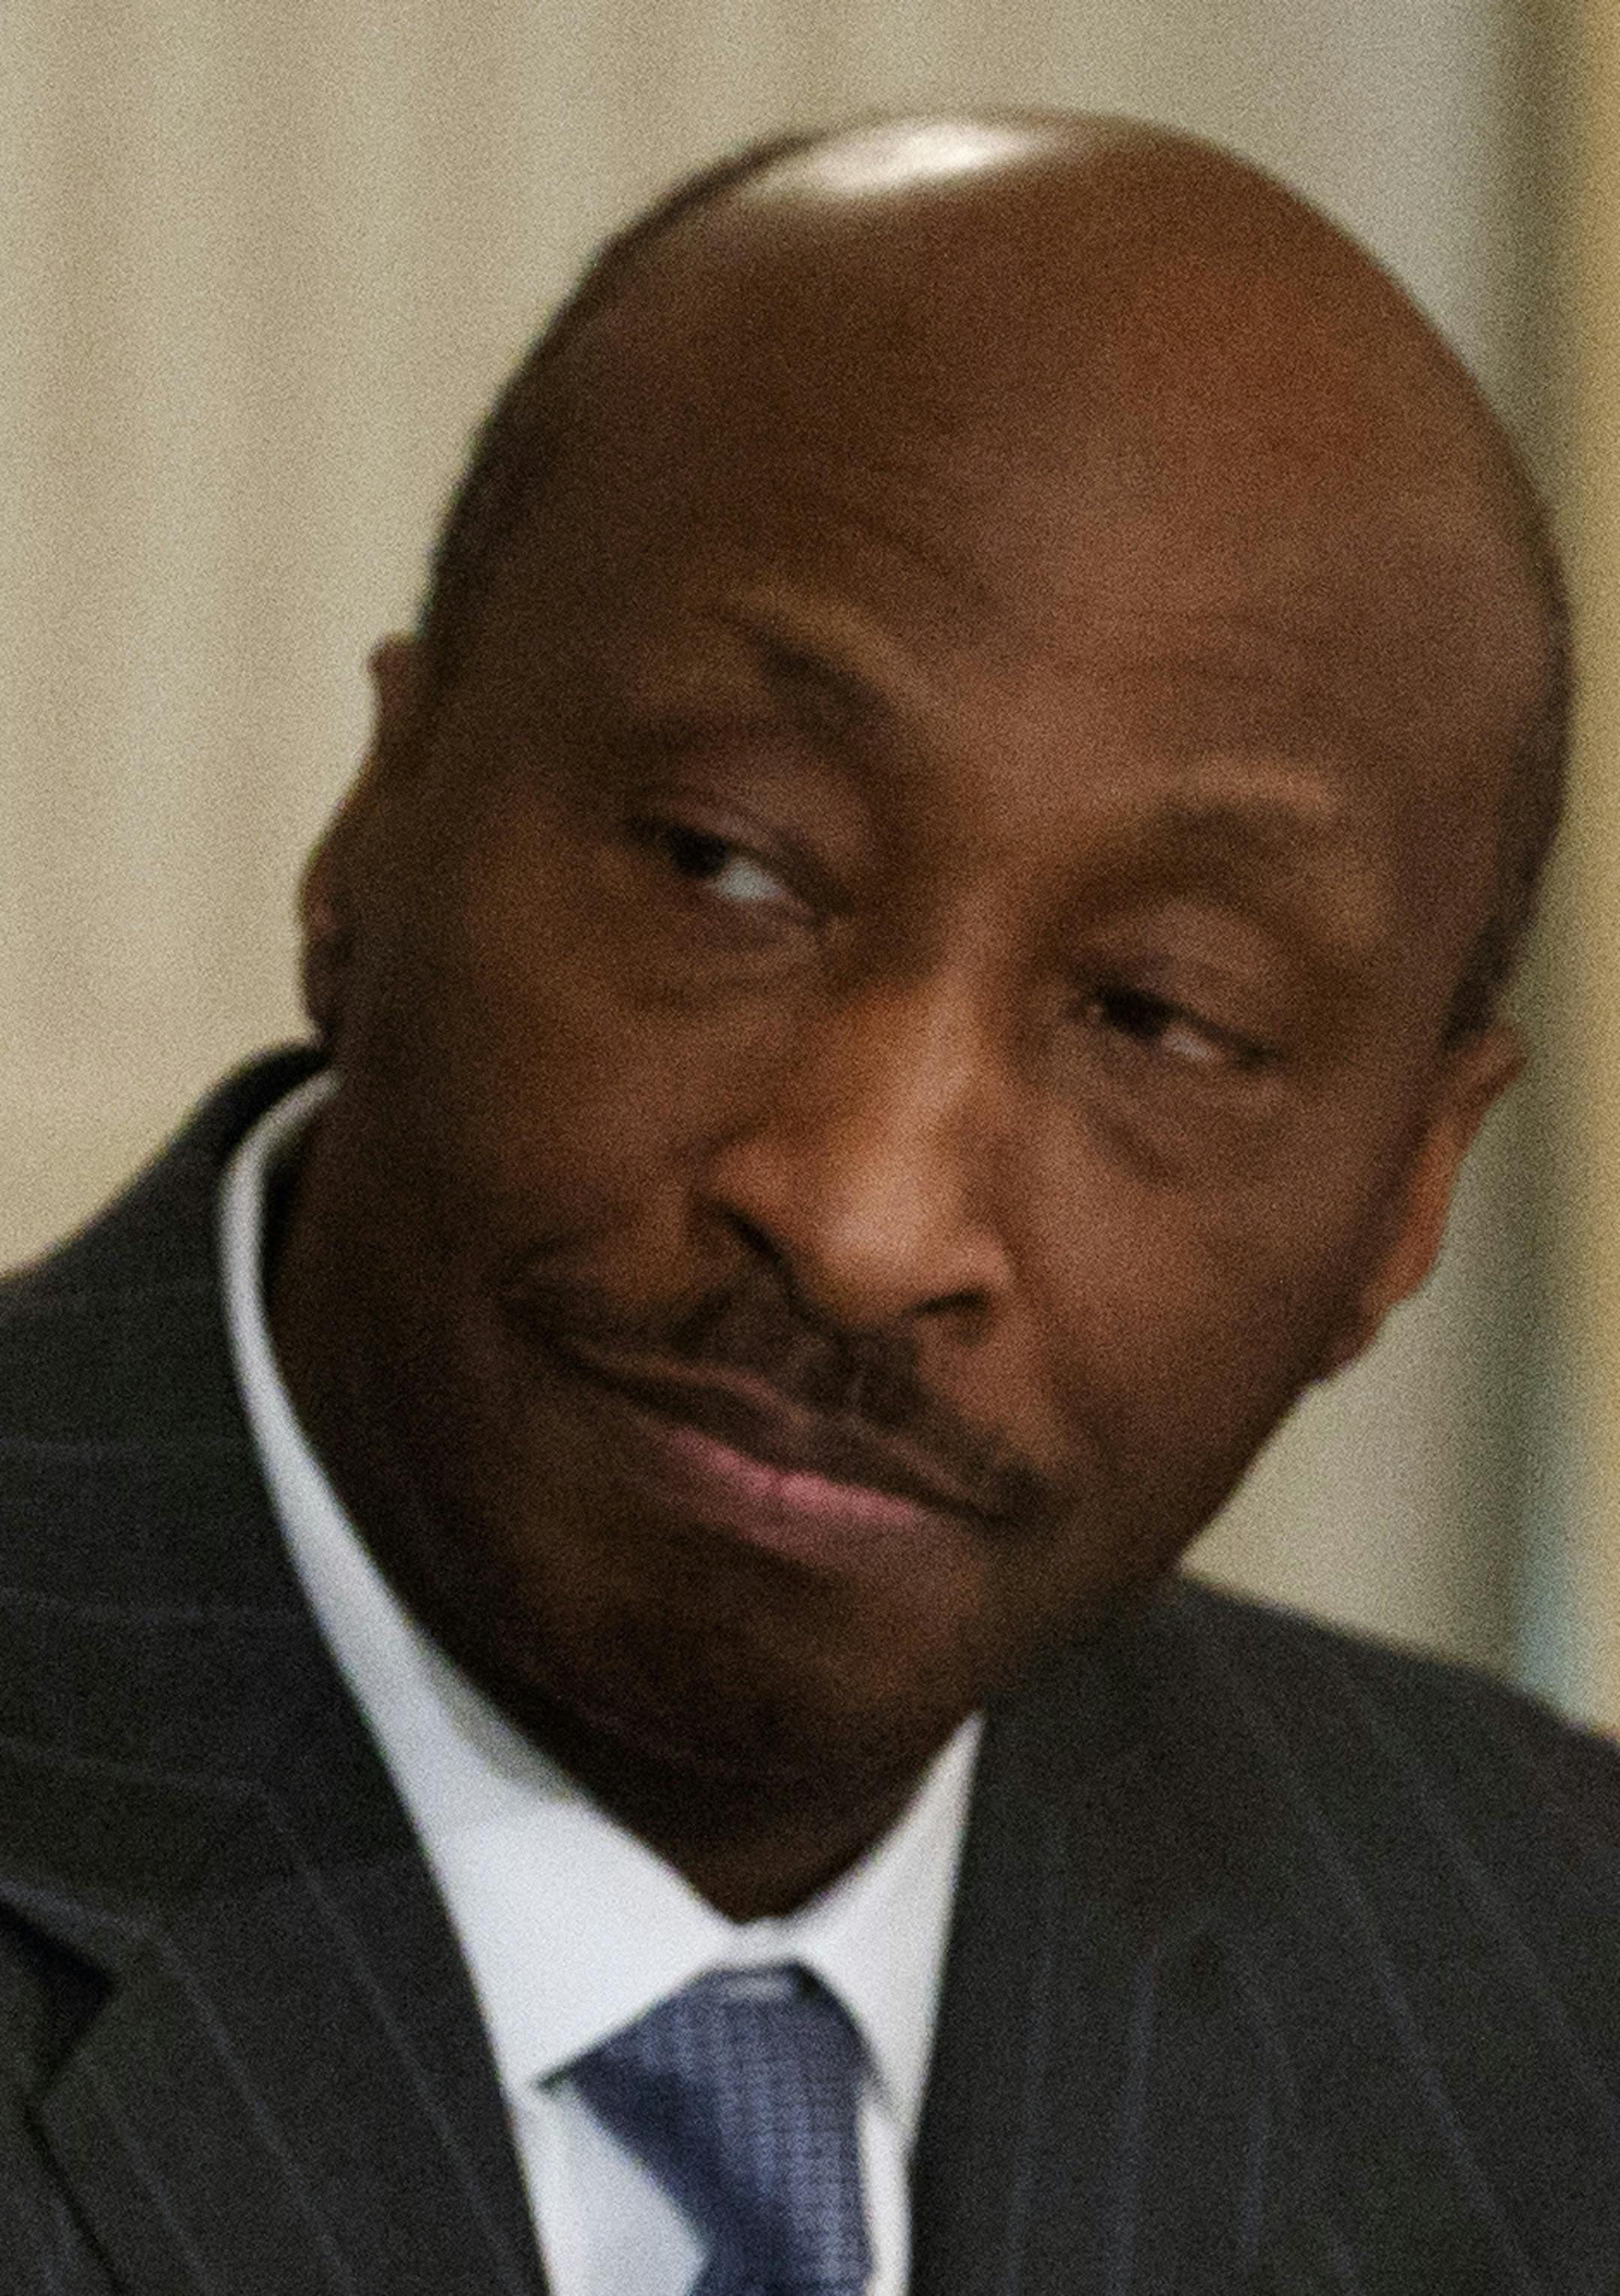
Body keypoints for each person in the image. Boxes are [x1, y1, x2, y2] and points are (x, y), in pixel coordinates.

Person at [2, 108, 1617, 2296]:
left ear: (1411, 1194)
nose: (863, 1218)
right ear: (374, 824)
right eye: (724, 867)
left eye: (1159, 1014)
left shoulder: (1546, 1995)